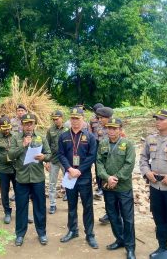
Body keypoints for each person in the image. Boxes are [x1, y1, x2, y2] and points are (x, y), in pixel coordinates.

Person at [139, 110, 167, 259]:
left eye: (161, 119)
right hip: (155, 187)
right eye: (156, 119)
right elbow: (143, 158)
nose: (157, 121)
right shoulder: (151, 139)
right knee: (159, 218)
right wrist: (146, 172)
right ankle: (162, 247)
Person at [58, 107, 98, 249]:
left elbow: (92, 156)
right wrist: (69, 169)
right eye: (73, 118)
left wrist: (79, 170)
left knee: (87, 206)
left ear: (83, 119)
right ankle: (73, 230)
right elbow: (61, 155)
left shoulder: (90, 137)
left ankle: (89, 234)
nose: (75, 121)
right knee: (71, 205)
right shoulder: (63, 136)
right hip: (69, 176)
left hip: (84, 176)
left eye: (77, 118)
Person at [9, 113, 51, 246]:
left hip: (38, 178)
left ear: (34, 124)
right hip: (22, 178)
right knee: (21, 207)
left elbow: (49, 154)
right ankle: (20, 234)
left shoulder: (41, 137)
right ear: (22, 125)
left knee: (39, 206)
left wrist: (43, 157)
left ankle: (42, 233)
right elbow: (10, 155)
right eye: (26, 124)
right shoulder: (15, 138)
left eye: (31, 123)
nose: (28, 126)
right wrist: (22, 145)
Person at [97, 118, 136, 259]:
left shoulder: (128, 144)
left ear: (120, 129)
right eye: (109, 128)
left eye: (115, 128)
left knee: (128, 218)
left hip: (123, 188)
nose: (111, 131)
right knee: (113, 215)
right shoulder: (103, 143)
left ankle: (130, 247)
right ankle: (120, 240)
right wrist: (107, 177)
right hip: (108, 187)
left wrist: (116, 178)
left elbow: (129, 164)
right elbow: (99, 162)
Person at [46, 110, 69, 214]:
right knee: (52, 183)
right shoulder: (50, 130)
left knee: (68, 182)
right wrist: (47, 161)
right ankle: (52, 204)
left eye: (57, 119)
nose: (55, 121)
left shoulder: (68, 129)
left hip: (66, 160)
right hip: (54, 160)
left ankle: (70, 204)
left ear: (62, 118)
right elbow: (47, 146)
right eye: (54, 119)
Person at [95, 106, 114, 223]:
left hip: (114, 167)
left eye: (101, 118)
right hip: (104, 168)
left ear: (108, 118)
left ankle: (117, 215)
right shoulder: (102, 129)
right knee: (107, 193)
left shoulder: (116, 130)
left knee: (116, 194)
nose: (99, 120)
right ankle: (109, 213)